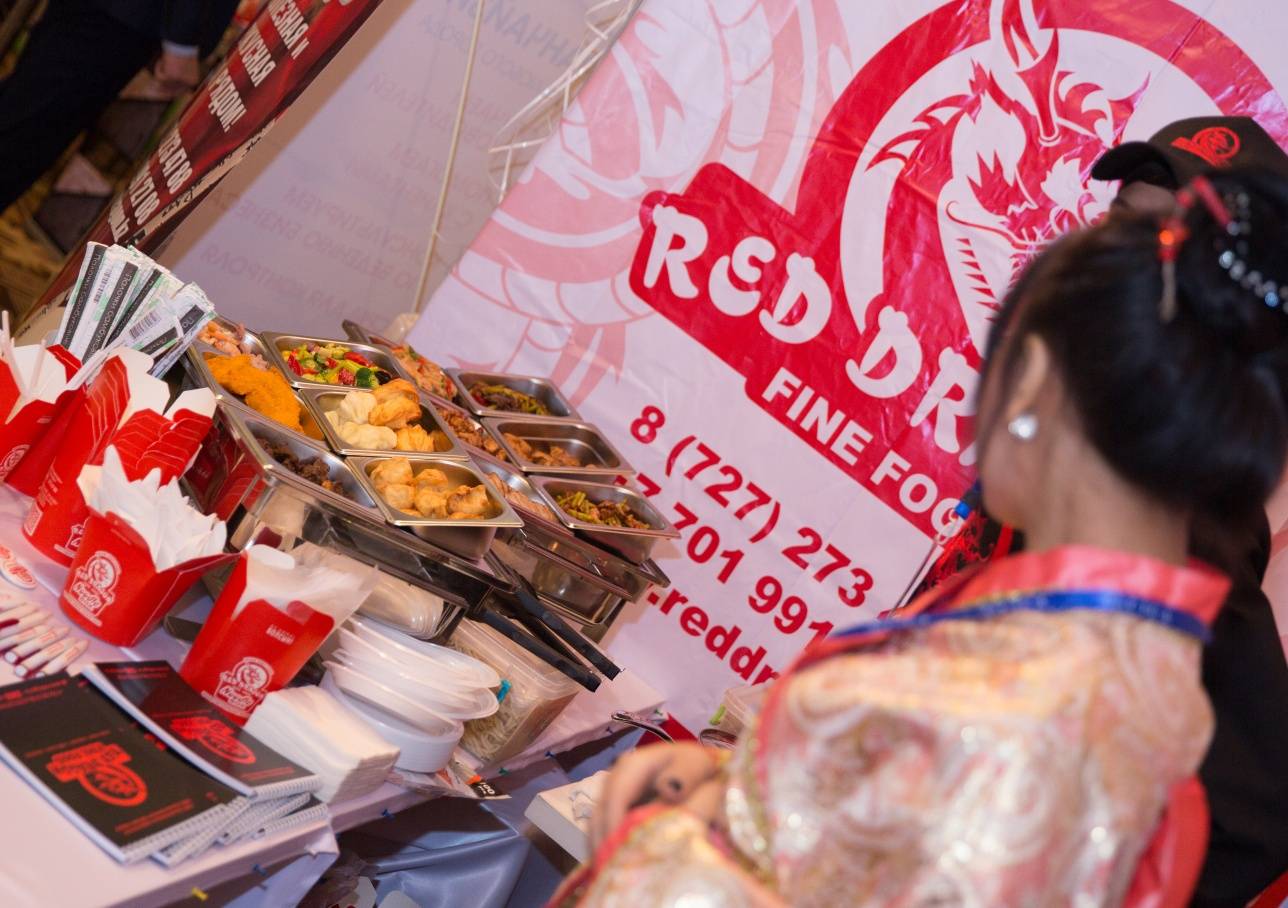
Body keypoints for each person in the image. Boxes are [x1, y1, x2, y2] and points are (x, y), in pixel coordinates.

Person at [552, 168, 1288, 907]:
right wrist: (727, 795)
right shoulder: (1145, 664)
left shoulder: (1019, 704)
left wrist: (654, 834)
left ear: (1030, 378)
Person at [913, 116, 1288, 905]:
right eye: (1123, 225)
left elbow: (1255, 812)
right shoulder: (1069, 463)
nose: (1121, 265)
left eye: (1164, 246)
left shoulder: (1186, 530)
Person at [0, 0, 239, 211]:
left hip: (118, 16)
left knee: (28, 113)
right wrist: (182, 41)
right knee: (30, 128)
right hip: (121, 17)